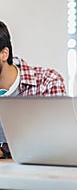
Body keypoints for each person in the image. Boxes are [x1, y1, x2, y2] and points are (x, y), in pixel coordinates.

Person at [0, 21, 66, 158]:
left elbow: (57, 140)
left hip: (36, 174)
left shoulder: (47, 82)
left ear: (4, 54)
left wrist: (5, 149)